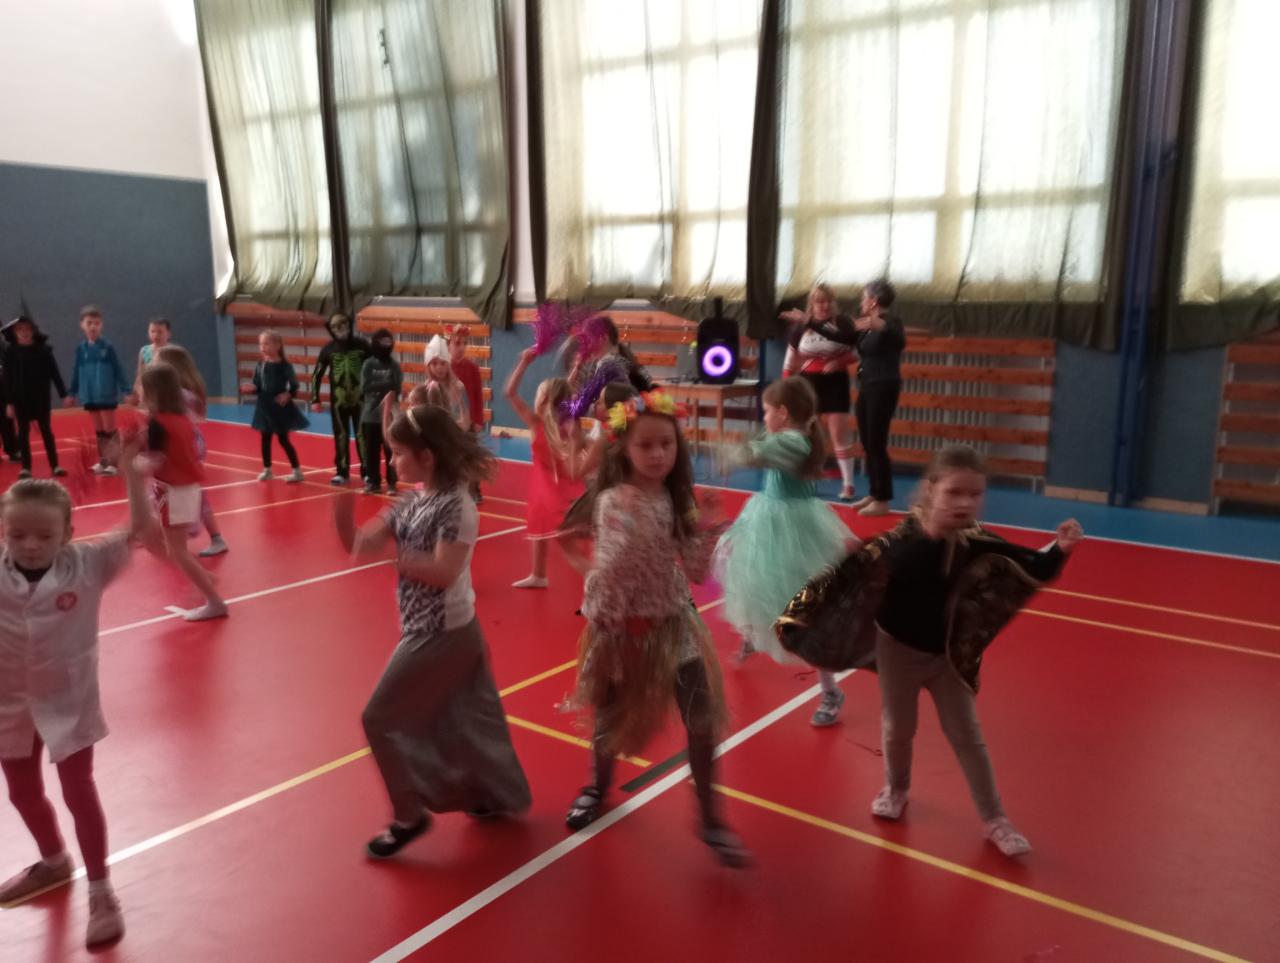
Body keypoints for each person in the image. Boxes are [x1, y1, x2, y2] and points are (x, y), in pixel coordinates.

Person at [775, 445, 1083, 857]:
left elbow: (1031, 566)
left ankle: (995, 819)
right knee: (899, 729)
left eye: (974, 494)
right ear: (930, 490)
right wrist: (848, 569)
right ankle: (897, 788)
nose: (965, 503)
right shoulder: (900, 542)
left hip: (946, 658)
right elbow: (857, 575)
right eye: (954, 492)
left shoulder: (975, 542)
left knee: (967, 736)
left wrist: (1061, 549)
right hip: (898, 653)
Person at [334, 402, 531, 858]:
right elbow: (361, 545)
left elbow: (443, 572)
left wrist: (394, 557)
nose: (392, 461)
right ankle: (489, 794)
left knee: (379, 718)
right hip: (430, 628)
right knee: (464, 721)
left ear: (427, 455)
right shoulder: (413, 500)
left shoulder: (459, 506)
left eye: (399, 453)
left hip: (445, 633)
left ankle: (410, 815)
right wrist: (342, 514)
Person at [564, 390, 749, 867]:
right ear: (624, 449)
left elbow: (696, 571)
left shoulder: (676, 501)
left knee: (702, 718)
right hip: (620, 628)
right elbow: (612, 571)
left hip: (673, 626)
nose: (657, 454)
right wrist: (613, 633)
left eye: (666, 444)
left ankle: (711, 819)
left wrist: (709, 526)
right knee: (609, 715)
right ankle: (597, 787)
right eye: (645, 445)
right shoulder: (611, 502)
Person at [0, 439, 158, 946]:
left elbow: (135, 530)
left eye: (44, 535)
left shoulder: (86, 566)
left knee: (78, 791)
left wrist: (133, 476)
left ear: (67, 534)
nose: (29, 545)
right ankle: (53, 860)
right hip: (9, 703)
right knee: (22, 792)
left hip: (69, 700)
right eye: (17, 534)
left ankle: (101, 890)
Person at [711, 378, 856, 726]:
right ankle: (753, 635)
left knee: (801, 608)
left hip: (791, 528)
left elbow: (758, 453)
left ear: (783, 412)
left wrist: (729, 453)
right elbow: (762, 444)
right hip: (770, 519)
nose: (764, 418)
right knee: (755, 579)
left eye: (767, 411)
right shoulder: (794, 434)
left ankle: (831, 692)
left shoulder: (793, 441)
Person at [140, 364, 229, 621]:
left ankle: (214, 601)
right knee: (156, 541)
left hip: (174, 491)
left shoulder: (157, 423)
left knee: (176, 550)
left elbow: (154, 460)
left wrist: (129, 462)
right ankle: (204, 578)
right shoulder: (182, 419)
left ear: (152, 391)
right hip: (185, 488)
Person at [504, 347, 584, 589]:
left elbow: (510, 393)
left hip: (554, 492)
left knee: (568, 546)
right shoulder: (565, 422)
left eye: (538, 394)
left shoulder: (536, 422)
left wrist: (524, 362)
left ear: (544, 400)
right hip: (548, 488)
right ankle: (539, 574)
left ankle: (598, 577)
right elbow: (565, 389)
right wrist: (577, 368)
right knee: (538, 528)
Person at [780, 283, 859, 501]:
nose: (825, 306)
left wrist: (839, 362)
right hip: (809, 384)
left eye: (829, 301)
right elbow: (789, 361)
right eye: (820, 302)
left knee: (838, 433)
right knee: (809, 434)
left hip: (836, 383)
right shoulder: (799, 328)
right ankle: (809, 479)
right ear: (812, 304)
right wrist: (785, 388)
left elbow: (857, 352)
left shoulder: (843, 324)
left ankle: (848, 485)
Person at [155, 344, 228, 556]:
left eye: (157, 363)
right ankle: (169, 533)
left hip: (185, 445)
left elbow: (174, 422)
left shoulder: (180, 396)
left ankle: (213, 537)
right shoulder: (181, 394)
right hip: (185, 444)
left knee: (190, 492)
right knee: (171, 491)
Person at [851, 278, 905, 517]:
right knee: (867, 441)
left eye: (864, 298)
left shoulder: (891, 323)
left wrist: (881, 326)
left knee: (876, 442)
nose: (861, 302)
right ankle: (874, 492)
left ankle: (883, 499)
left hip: (883, 387)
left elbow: (899, 340)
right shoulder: (867, 325)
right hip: (867, 385)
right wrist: (810, 321)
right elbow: (846, 336)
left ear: (873, 301)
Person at [66, 306, 131, 475]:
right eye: (89, 323)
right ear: (82, 325)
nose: (93, 326)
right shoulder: (81, 349)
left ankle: (114, 463)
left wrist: (127, 390)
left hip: (106, 394)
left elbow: (118, 369)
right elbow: (76, 371)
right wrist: (72, 393)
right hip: (90, 396)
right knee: (100, 430)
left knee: (110, 430)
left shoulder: (107, 347)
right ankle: (103, 461)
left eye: (97, 323)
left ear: (101, 325)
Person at [1, 314, 67, 480]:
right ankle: (26, 468)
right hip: (20, 400)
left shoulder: (44, 350)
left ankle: (55, 465)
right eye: (20, 329)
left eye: (27, 329)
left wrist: (63, 394)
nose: (24, 332)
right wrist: (9, 402)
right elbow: (7, 379)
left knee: (46, 430)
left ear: (33, 331)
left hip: (41, 399)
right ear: (14, 332)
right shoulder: (10, 353)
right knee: (23, 433)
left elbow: (54, 373)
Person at [310, 312, 370, 486]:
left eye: (343, 325)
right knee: (341, 435)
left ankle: (368, 472)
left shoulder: (362, 345)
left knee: (362, 435)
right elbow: (317, 375)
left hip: (360, 399)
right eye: (335, 327)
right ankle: (342, 471)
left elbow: (374, 368)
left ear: (349, 325)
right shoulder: (328, 349)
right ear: (331, 329)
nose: (340, 329)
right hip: (339, 400)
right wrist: (315, 398)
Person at [243, 330, 307, 483]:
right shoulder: (260, 365)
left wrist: (288, 394)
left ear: (277, 345)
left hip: (279, 407)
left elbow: (294, 386)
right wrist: (252, 388)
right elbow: (258, 385)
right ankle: (267, 470)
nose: (262, 347)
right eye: (261, 344)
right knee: (265, 439)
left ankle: (297, 471)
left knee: (283, 440)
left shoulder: (284, 366)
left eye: (266, 344)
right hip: (264, 406)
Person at [359, 328, 403, 495]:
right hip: (370, 415)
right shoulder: (368, 364)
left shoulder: (394, 365)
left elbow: (396, 388)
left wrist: (380, 386)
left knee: (390, 450)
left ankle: (392, 482)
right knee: (371, 452)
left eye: (388, 342)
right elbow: (364, 387)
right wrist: (386, 385)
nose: (386, 345)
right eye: (383, 342)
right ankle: (373, 482)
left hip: (390, 416)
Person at [409, 336, 470, 431]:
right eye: (434, 364)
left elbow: (465, 425)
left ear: (448, 364)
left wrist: (460, 402)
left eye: (443, 363)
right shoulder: (425, 389)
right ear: (429, 366)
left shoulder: (459, 387)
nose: (439, 367)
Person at [132, 317, 172, 400]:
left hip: (167, 391)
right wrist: (136, 390)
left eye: (160, 332)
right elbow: (140, 374)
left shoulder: (172, 351)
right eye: (152, 331)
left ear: (168, 334)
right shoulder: (145, 350)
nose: (156, 335)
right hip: (148, 391)